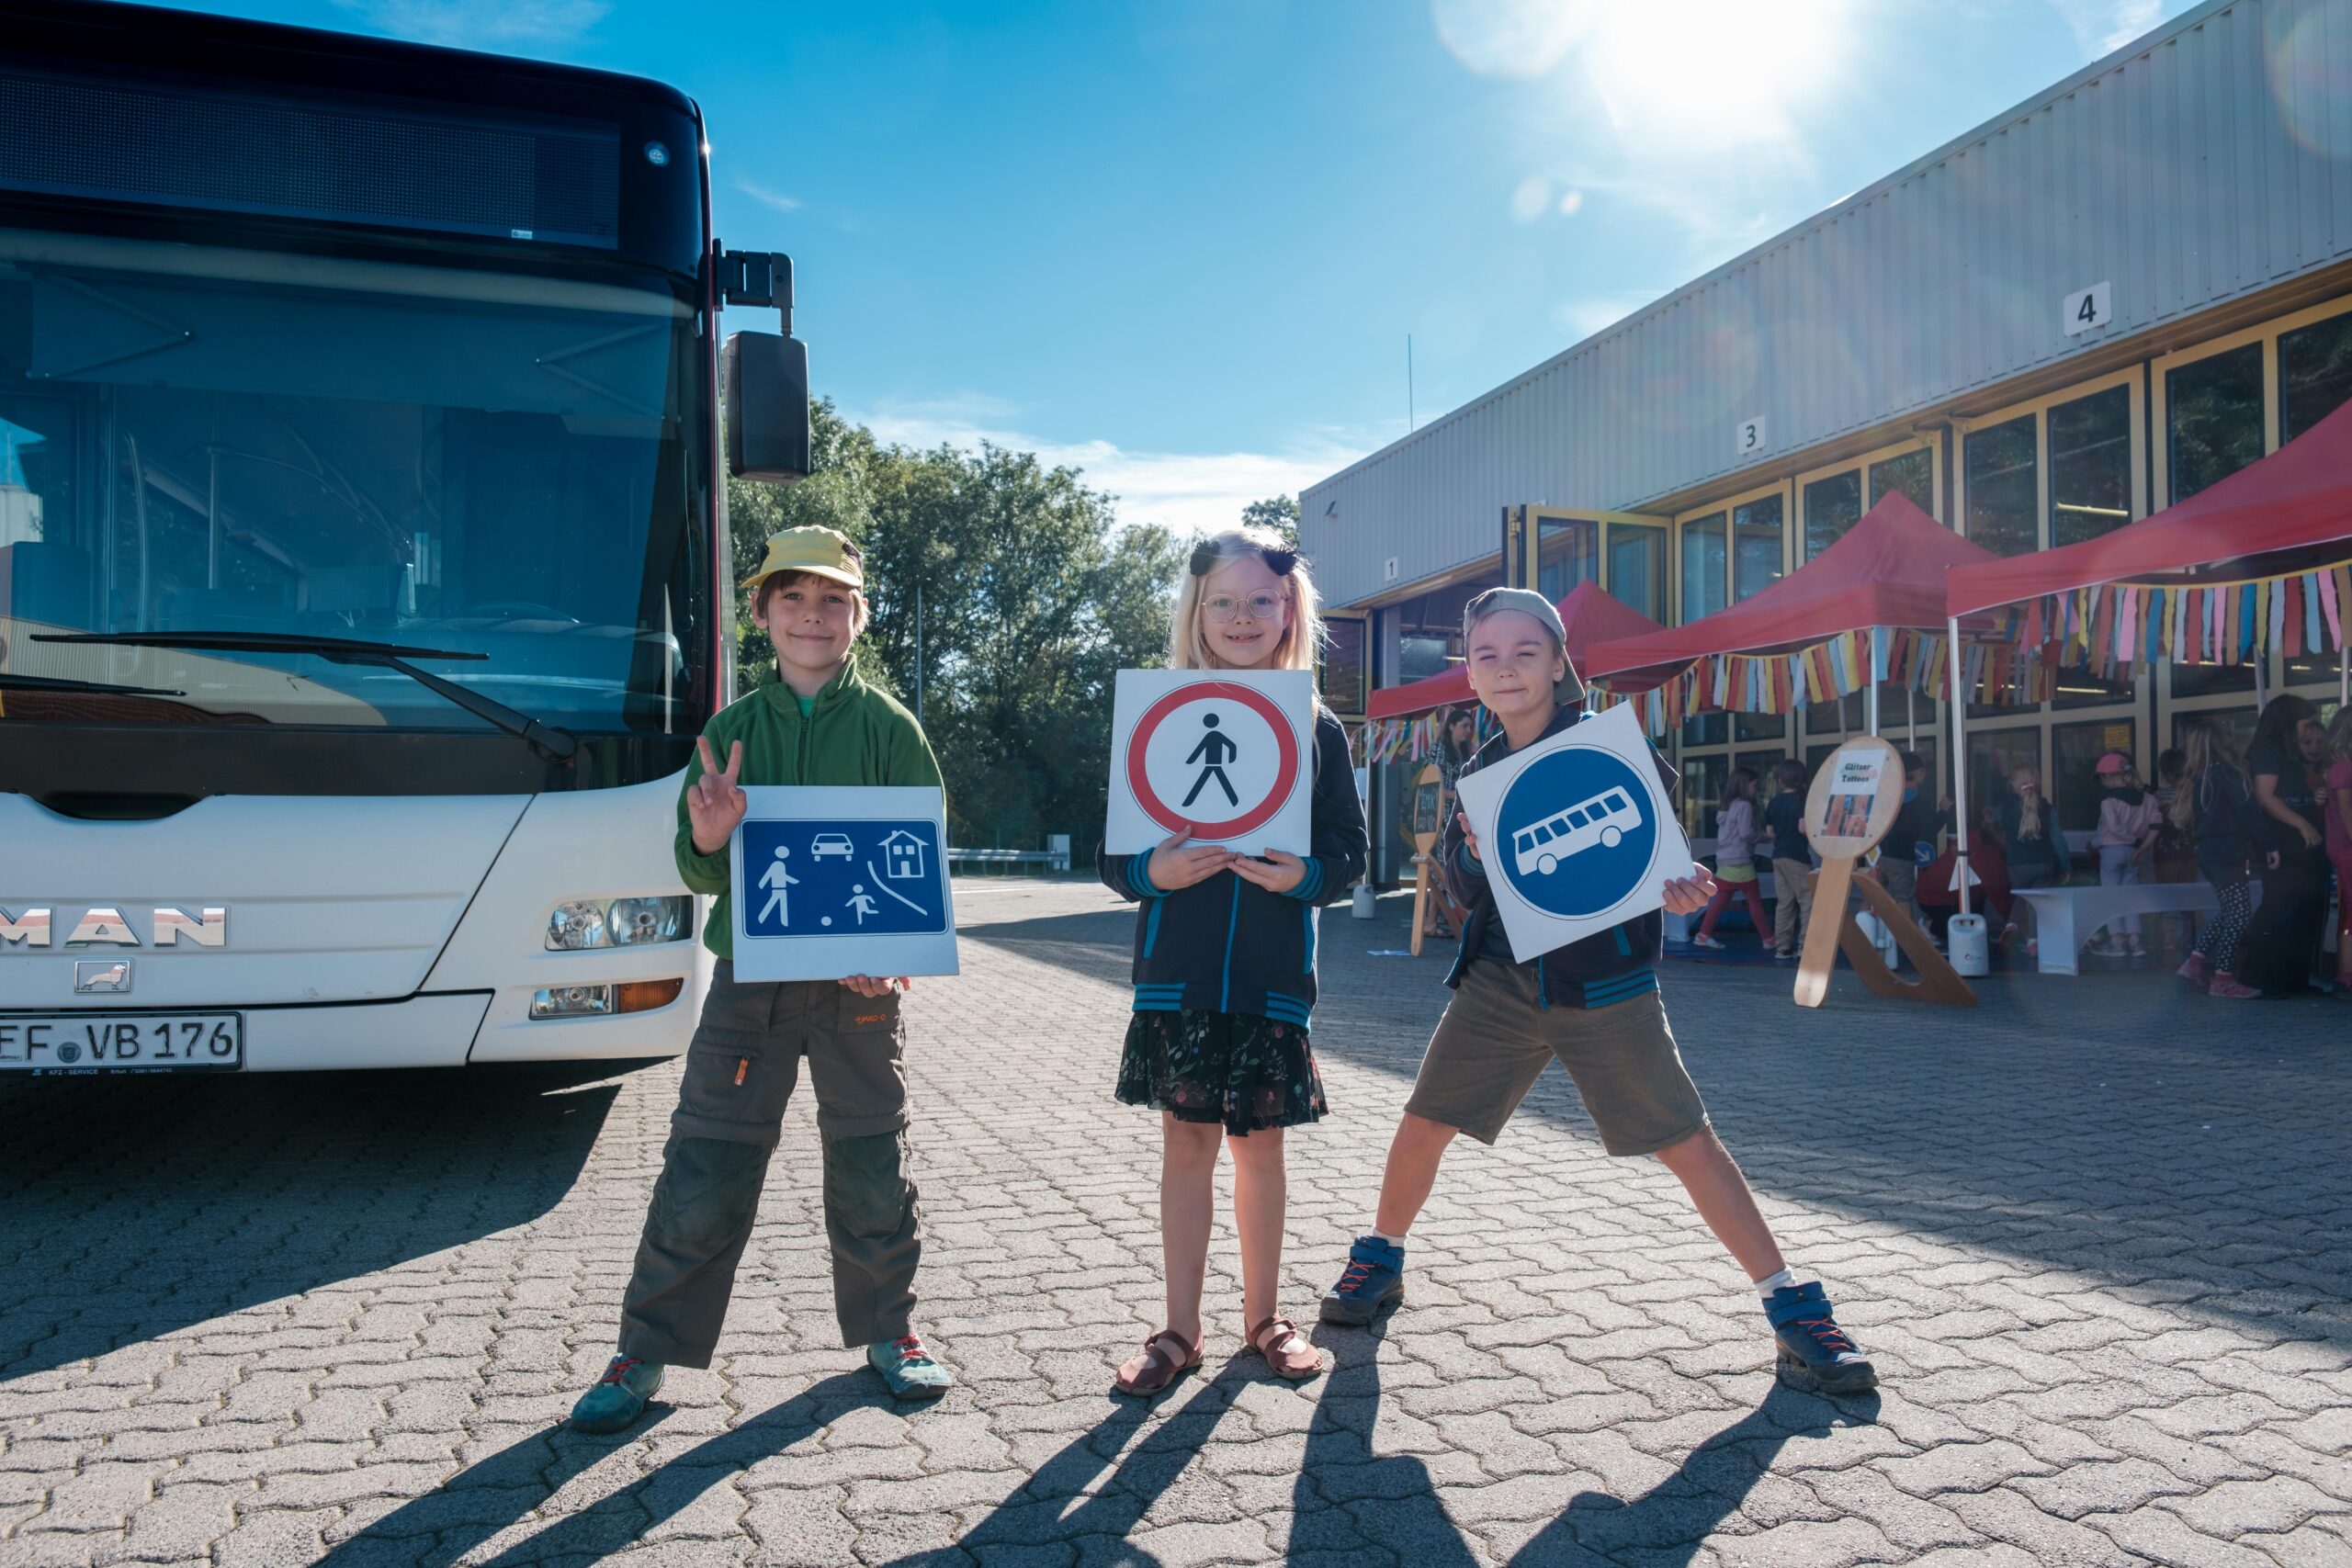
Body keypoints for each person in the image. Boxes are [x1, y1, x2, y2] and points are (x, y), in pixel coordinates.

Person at [1318, 588, 1878, 1398]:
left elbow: (1660, 857)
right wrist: (1472, 854)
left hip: (1606, 985)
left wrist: (1683, 887)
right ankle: (1381, 1257)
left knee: (1686, 1139)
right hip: (1501, 981)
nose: (1506, 669)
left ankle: (1793, 1305)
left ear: (1559, 663)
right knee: (1424, 1120)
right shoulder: (1477, 771)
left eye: (1525, 652)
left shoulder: (1609, 747)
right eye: (1486, 656)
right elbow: (1469, 892)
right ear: (1470, 674)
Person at [569, 526, 954, 1434]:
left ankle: (891, 1332)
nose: (812, 616)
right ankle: (644, 1350)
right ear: (761, 612)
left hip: (859, 993)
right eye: (793, 598)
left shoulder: (891, 729)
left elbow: (920, 858)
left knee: (872, 1160)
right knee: (706, 1162)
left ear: (858, 616)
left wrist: (894, 950)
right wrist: (710, 835)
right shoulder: (728, 731)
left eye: (833, 600)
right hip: (750, 984)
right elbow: (697, 867)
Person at [1097, 526, 1369, 1396]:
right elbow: (1114, 859)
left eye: (1260, 600)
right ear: (1196, 611)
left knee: (1260, 1150)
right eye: (1223, 601)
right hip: (1174, 977)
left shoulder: (1317, 726)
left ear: (1290, 610)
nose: (1242, 616)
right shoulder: (1155, 716)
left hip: (1269, 979)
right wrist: (1154, 872)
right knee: (1186, 1146)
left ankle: (1265, 1318)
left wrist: (1304, 877)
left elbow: (1352, 853)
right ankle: (1179, 1329)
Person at [2239, 695, 2328, 997]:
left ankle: (2293, 977)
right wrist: (2302, 823)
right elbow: (2266, 796)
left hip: (2300, 835)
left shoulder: (2287, 752)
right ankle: (2261, 977)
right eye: (2305, 724)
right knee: (2281, 906)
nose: (2308, 730)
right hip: (2284, 837)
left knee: (2303, 907)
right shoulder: (2268, 751)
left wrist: (2311, 804)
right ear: (2289, 723)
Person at [2172, 722, 2263, 1000]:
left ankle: (2195, 962)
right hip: (2229, 853)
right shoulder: (2230, 774)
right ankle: (2222, 978)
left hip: (2209, 854)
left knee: (2230, 912)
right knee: (2239, 914)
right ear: (2226, 743)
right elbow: (2249, 813)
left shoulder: (2201, 777)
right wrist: (2269, 843)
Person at [2087, 754, 2163, 961]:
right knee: (2130, 897)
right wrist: (2142, 846)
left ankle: (2117, 940)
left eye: (2103, 778)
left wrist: (2130, 840)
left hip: (2112, 852)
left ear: (2110, 777)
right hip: (2134, 853)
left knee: (2111, 896)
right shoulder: (2148, 799)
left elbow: (2113, 828)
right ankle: (2136, 941)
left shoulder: (2108, 801)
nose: (2103, 782)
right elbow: (2157, 825)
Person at [1690, 767, 1768, 951]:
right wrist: (1764, 836)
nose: (1757, 790)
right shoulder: (1745, 806)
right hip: (1740, 859)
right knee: (1754, 901)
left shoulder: (1727, 807)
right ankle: (1769, 938)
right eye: (1755, 786)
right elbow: (1746, 833)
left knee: (1720, 901)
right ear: (1744, 786)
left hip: (1724, 859)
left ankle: (1703, 934)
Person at [1995, 764, 2067, 958]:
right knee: (2037, 903)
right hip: (2044, 864)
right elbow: (2058, 841)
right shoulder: (2047, 809)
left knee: (2020, 896)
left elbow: (1995, 821)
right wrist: (2066, 865)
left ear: (2013, 784)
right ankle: (2033, 942)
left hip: (2017, 865)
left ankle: (2011, 925)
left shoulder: (2004, 808)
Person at [1761, 759, 1815, 961]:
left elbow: (1770, 833)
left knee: (1784, 902)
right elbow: (1802, 828)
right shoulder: (1802, 800)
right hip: (1797, 855)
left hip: (1778, 855)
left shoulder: (1774, 802)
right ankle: (1804, 945)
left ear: (1780, 780)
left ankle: (1783, 947)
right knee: (1807, 899)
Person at [2324, 707, 2352, 995]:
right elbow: (2346, 812)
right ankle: (2346, 974)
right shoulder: (2343, 768)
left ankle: (2346, 974)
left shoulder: (2341, 767)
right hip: (2347, 847)